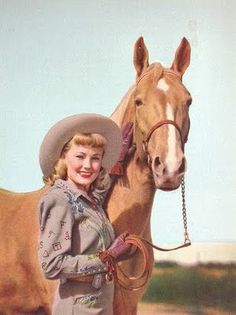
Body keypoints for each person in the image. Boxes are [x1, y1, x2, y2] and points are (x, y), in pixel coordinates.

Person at [38, 113, 133, 315]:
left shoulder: (88, 200)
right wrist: (108, 257)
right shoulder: (59, 201)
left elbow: (99, 190)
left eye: (96, 158)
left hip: (100, 306)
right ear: (63, 158)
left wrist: (119, 160)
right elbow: (52, 265)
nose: (88, 166)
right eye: (80, 156)